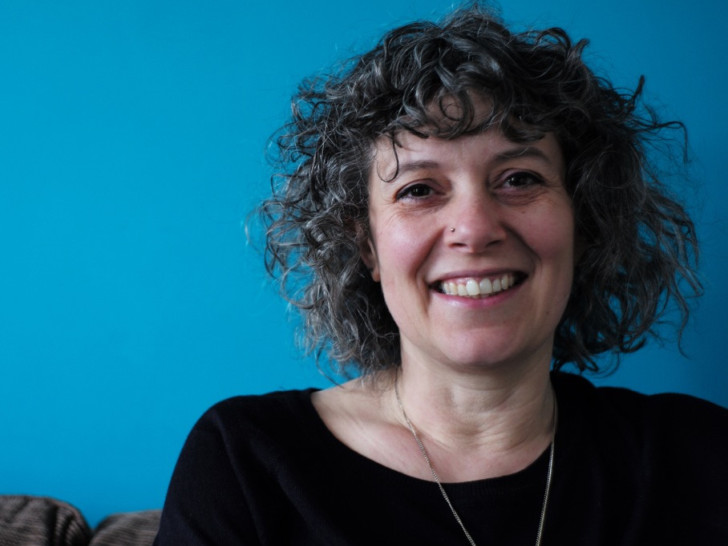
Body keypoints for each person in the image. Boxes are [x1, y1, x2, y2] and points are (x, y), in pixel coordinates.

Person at [154, 4, 728, 544]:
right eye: (419, 190)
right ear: (368, 247)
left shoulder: (697, 457)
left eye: (520, 178)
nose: (475, 229)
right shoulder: (246, 461)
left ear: (584, 219)